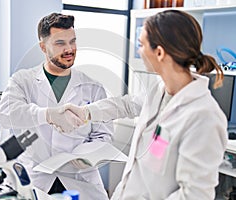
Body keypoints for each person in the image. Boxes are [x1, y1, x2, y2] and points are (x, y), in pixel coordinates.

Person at [57, 10, 228, 199]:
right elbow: (127, 105)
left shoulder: (204, 117)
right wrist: (85, 112)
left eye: (141, 45)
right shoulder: (160, 90)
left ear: (160, 52)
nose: (139, 51)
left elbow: (195, 195)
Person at [0, 12, 113, 200]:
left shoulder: (93, 87)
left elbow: (103, 134)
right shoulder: (23, 81)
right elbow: (6, 114)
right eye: (60, 43)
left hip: (80, 180)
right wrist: (47, 115)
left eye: (72, 41)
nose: (69, 49)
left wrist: (87, 156)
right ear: (43, 47)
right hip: (35, 178)